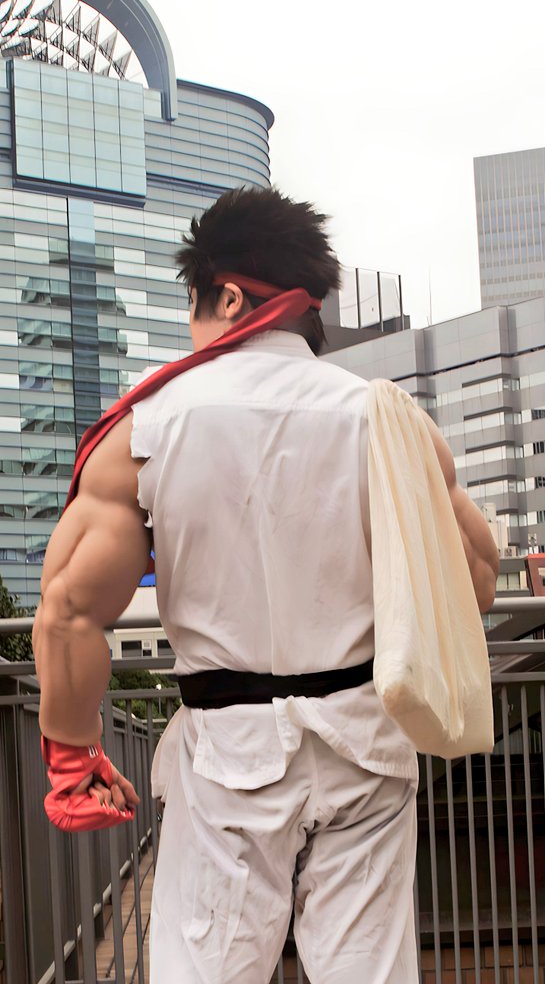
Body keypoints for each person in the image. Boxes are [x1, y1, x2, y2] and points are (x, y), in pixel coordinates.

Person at [33, 187, 499, 983]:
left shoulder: (150, 427)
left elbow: (70, 610)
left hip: (229, 756)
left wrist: (73, 754)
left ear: (225, 297)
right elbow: (475, 584)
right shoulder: (388, 420)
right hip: (366, 744)